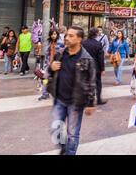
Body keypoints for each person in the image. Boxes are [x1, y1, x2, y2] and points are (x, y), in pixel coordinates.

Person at [47, 26, 96, 155]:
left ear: (79, 39)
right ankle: (63, 147)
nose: (66, 38)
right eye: (66, 35)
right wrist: (51, 67)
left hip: (76, 102)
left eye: (71, 36)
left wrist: (90, 103)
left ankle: (70, 153)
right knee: (55, 128)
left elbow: (91, 82)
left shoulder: (87, 59)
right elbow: (49, 71)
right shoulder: (60, 53)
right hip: (60, 99)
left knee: (72, 133)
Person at [83, 28, 107, 105]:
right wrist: (102, 68)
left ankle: (88, 100)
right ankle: (99, 99)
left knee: (86, 82)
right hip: (96, 67)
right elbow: (100, 58)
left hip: (85, 66)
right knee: (98, 83)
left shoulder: (83, 43)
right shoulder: (98, 44)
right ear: (96, 34)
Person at [39, 29, 64, 101]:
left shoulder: (60, 43)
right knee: (45, 79)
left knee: (58, 80)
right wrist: (46, 64)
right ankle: (44, 94)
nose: (53, 36)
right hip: (49, 64)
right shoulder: (49, 42)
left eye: (55, 34)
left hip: (57, 65)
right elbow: (47, 54)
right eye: (52, 34)